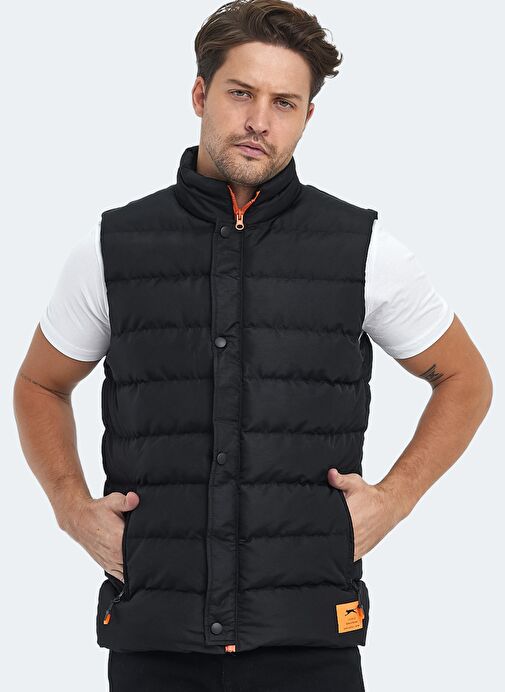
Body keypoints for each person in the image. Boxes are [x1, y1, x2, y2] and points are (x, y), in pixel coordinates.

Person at [13, 1, 493, 690]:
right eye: (241, 93)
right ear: (200, 94)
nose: (259, 121)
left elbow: (466, 378)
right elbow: (40, 383)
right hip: (156, 634)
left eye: (284, 103)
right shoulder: (114, 246)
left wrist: (396, 498)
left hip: (308, 636)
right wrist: (69, 506)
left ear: (306, 116)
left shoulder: (361, 249)